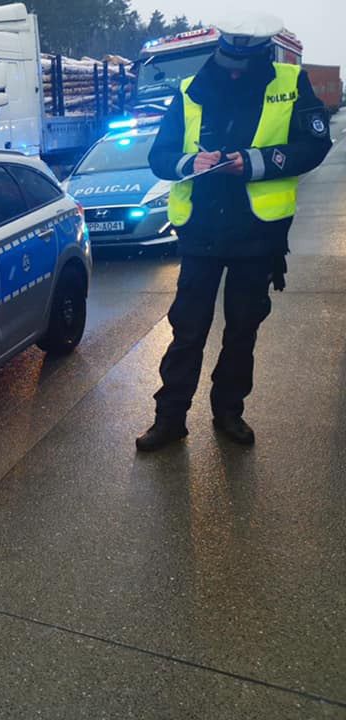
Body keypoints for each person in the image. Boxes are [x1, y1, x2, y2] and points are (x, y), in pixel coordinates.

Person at [136, 13, 332, 452]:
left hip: (256, 235)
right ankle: (169, 419)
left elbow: (315, 143)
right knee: (187, 330)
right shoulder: (192, 89)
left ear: (261, 52)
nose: (236, 69)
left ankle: (229, 413)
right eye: (229, 60)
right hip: (202, 232)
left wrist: (257, 162)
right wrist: (191, 164)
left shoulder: (289, 81)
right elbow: (160, 155)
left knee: (242, 331)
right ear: (220, 50)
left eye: (245, 61)